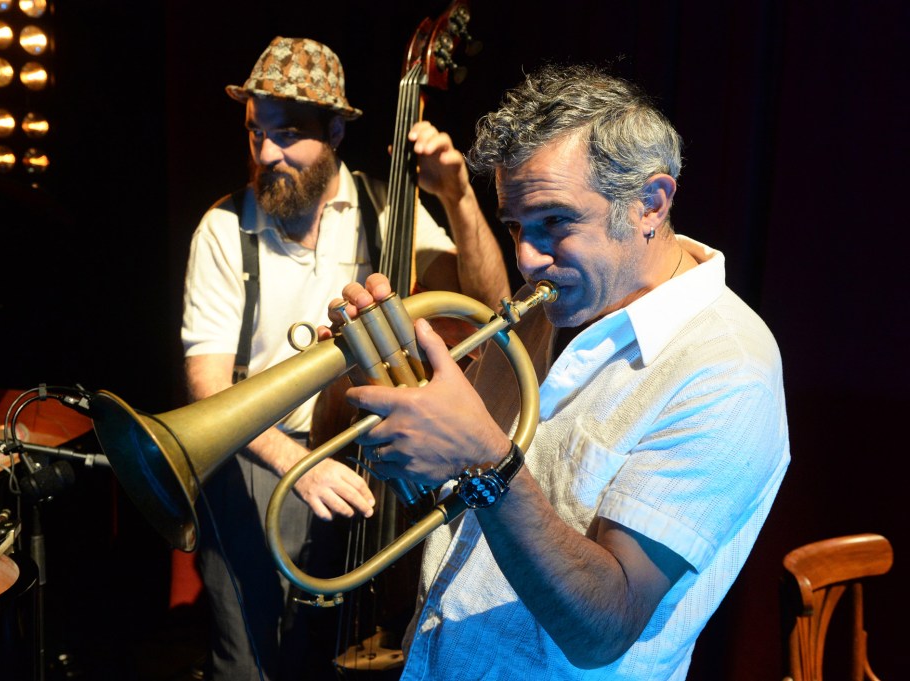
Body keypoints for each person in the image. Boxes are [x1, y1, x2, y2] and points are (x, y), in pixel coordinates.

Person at [327, 63, 790, 680]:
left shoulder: (729, 369)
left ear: (650, 203)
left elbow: (604, 626)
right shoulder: (544, 307)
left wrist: (487, 461)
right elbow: (461, 503)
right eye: (516, 225)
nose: (526, 258)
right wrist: (401, 393)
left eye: (556, 222)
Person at [179, 36, 510, 681]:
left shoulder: (385, 209)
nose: (266, 153)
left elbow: (488, 304)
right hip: (264, 453)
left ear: (334, 131)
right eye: (256, 133)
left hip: (371, 455)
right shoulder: (223, 228)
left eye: (287, 135)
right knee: (252, 662)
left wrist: (458, 197)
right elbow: (209, 386)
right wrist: (299, 467)